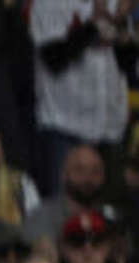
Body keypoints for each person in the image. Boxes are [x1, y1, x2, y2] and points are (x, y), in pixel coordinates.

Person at [30, 0, 127, 195]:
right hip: (65, 128)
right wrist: (92, 27)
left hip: (109, 128)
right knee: (63, 215)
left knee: (109, 216)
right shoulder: (49, 4)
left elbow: (126, 64)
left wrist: (123, 36)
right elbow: (53, 59)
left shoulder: (117, 5)